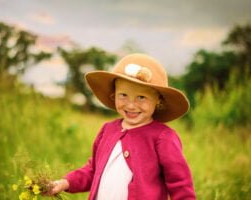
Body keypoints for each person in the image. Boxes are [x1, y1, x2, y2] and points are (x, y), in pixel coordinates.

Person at [47, 53, 196, 199]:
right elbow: (93, 170)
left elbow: (180, 183)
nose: (131, 105)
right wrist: (66, 182)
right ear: (114, 94)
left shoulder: (163, 137)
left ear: (158, 100)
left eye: (141, 97)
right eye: (123, 95)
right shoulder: (108, 130)